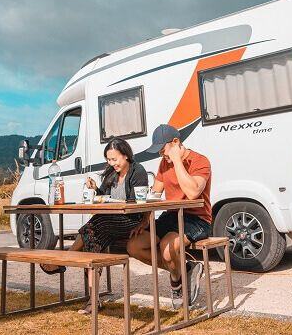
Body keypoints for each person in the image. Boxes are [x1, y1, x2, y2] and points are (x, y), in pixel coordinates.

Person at [40, 137, 148, 314]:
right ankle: (92, 298)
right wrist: (95, 189)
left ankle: (65, 260)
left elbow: (142, 202)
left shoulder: (138, 171)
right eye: (108, 159)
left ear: (126, 156)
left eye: (114, 159)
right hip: (109, 222)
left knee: (96, 224)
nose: (111, 163)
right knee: (92, 237)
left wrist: (144, 221)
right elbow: (104, 198)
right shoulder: (112, 174)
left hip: (130, 220)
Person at [126, 124, 212, 309]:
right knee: (134, 245)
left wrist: (177, 160)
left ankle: (175, 281)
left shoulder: (199, 161)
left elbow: (192, 193)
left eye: (162, 150)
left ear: (176, 142)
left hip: (197, 219)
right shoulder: (164, 163)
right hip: (172, 215)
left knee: (167, 250)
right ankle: (186, 269)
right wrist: (145, 220)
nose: (161, 155)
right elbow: (155, 194)